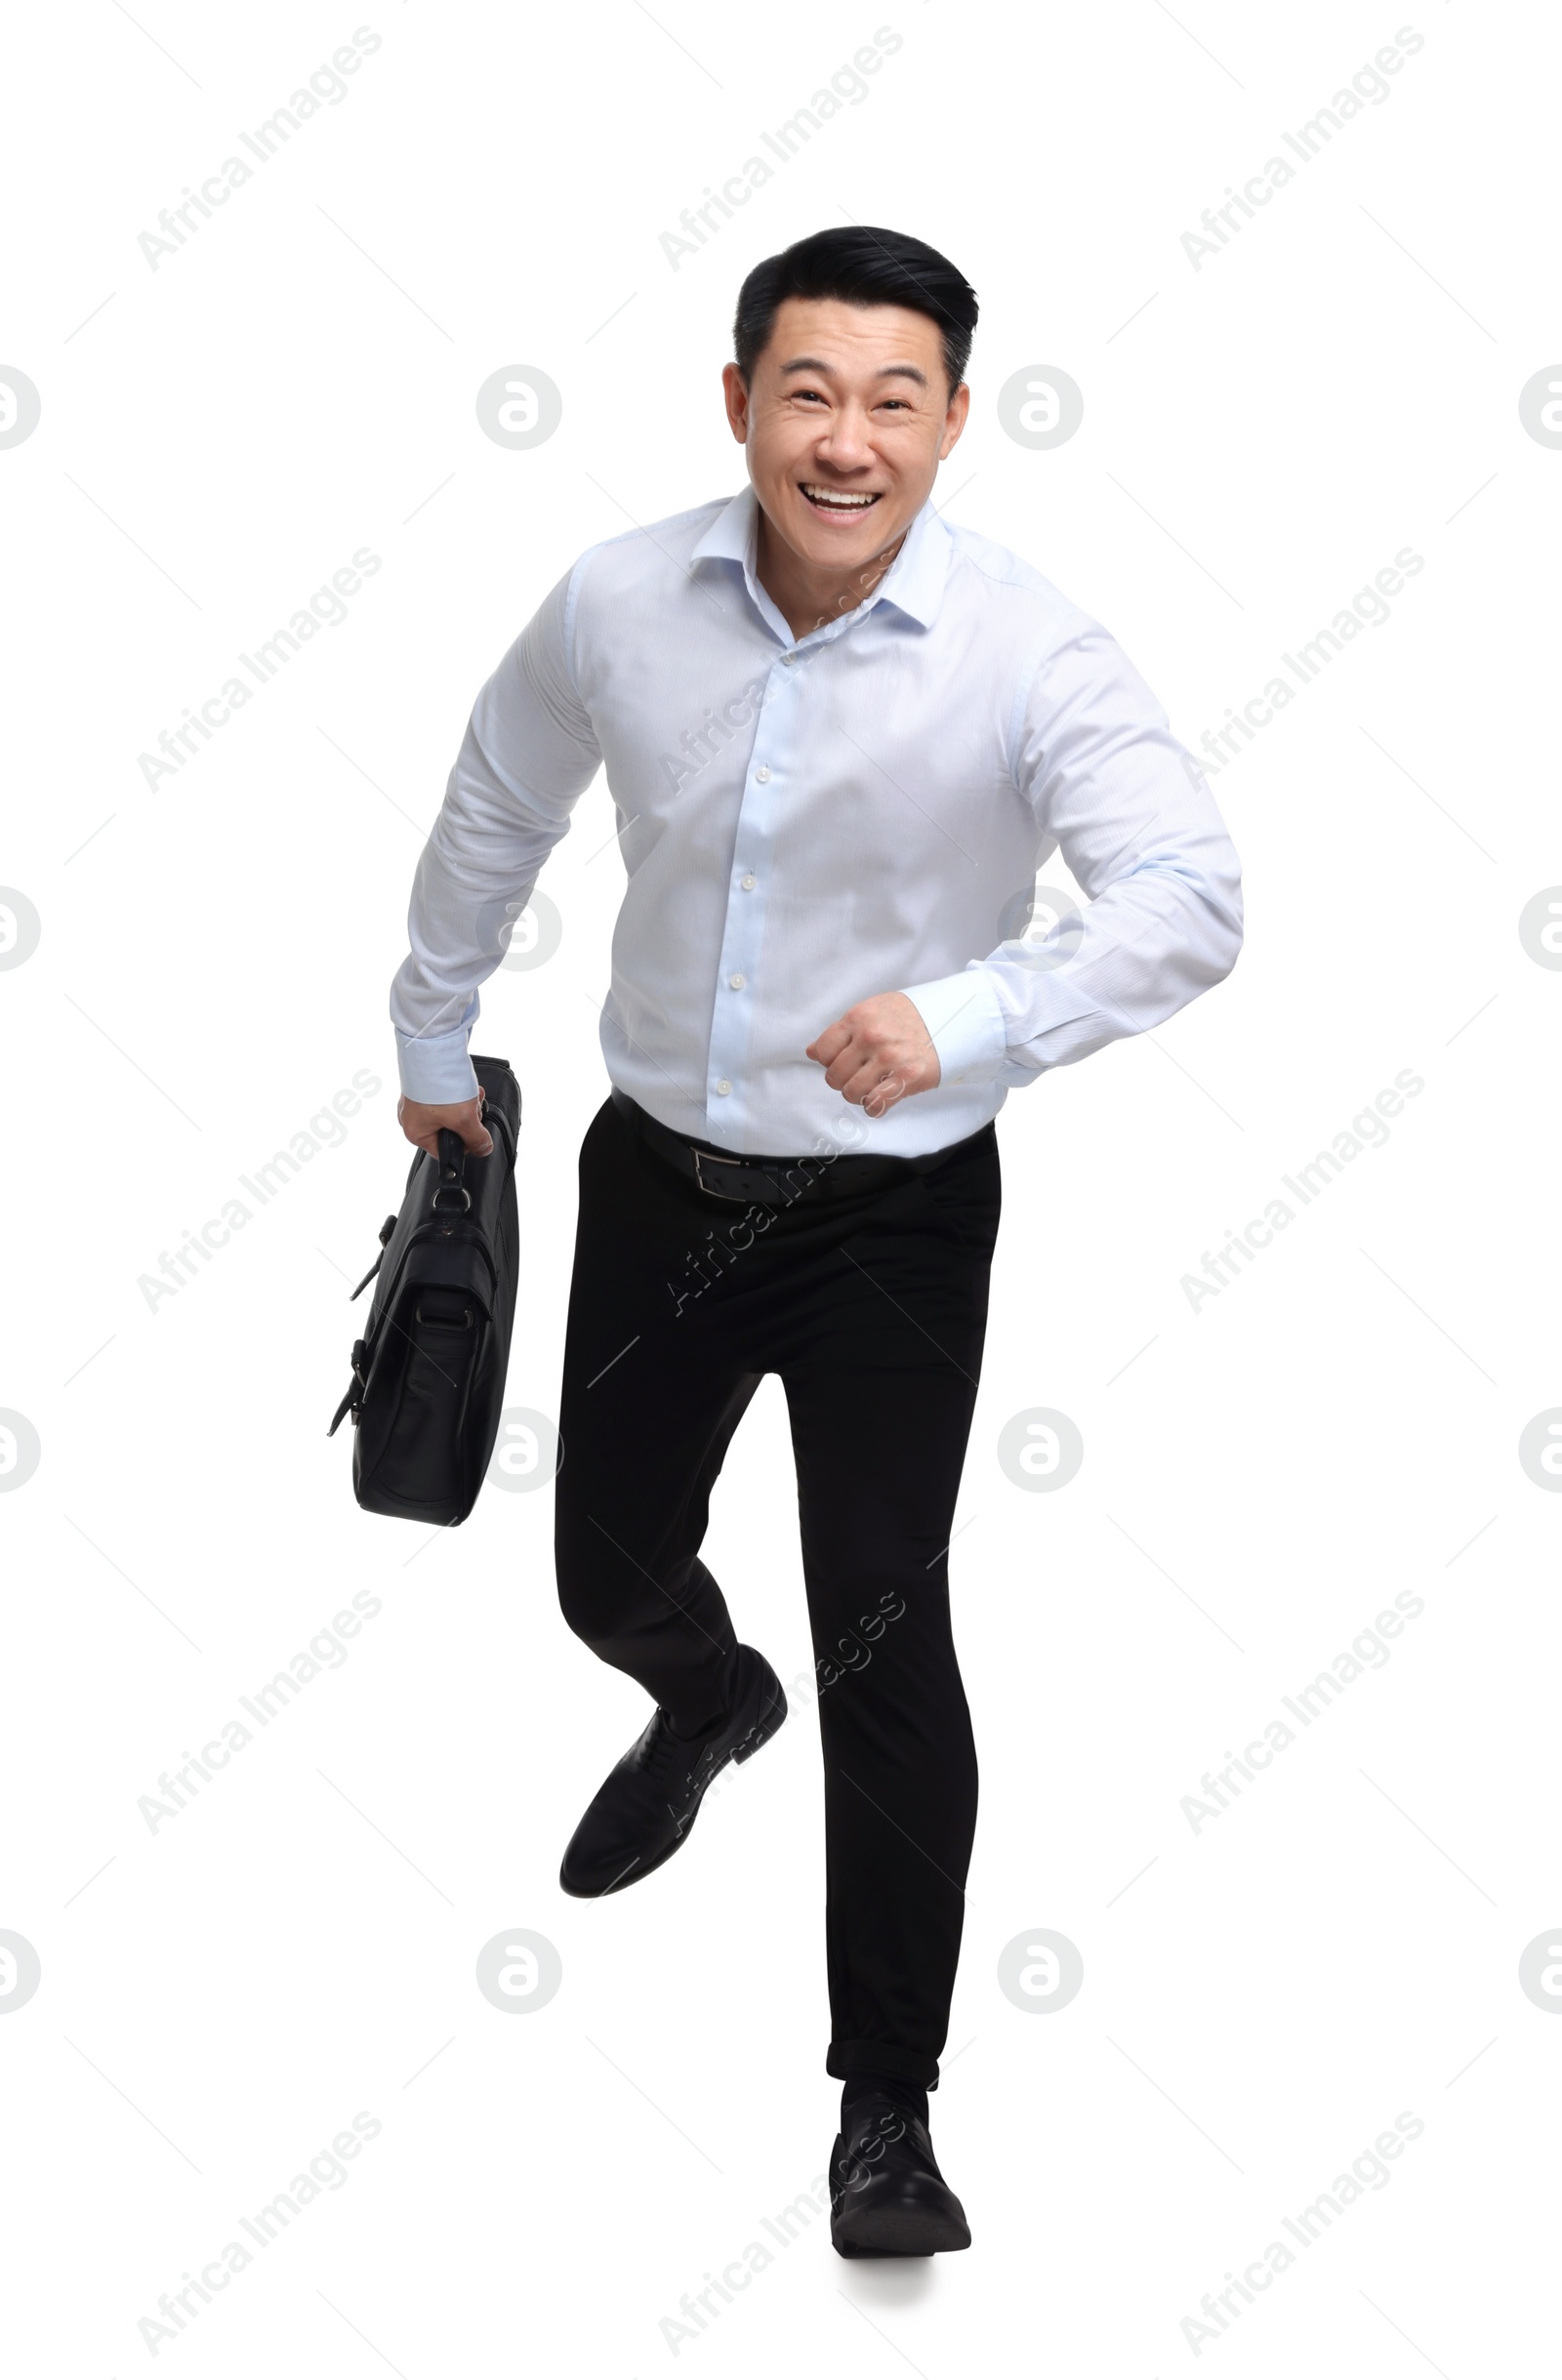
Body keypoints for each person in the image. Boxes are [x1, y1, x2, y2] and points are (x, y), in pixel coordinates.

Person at [390, 226, 1243, 2257]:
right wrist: (434, 1035)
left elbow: (1188, 894)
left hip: (892, 1218)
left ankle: (886, 2105)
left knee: (886, 1631)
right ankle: (700, 1696)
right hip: (663, 1179)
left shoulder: (1031, 651)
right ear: (736, 401)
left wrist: (961, 1017)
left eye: (890, 398)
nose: (842, 438)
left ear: (953, 416)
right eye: (805, 389)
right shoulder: (617, 599)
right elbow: (495, 803)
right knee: (601, 1562)